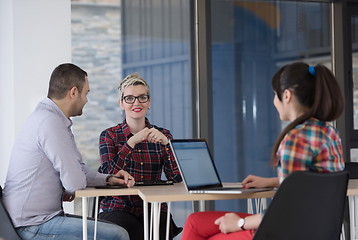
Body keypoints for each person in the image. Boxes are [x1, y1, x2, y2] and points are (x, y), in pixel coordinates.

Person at [181, 62, 345, 240]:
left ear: (287, 95)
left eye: (275, 94)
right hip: (315, 228)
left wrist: (239, 224)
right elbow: (312, 184)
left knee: (205, 233)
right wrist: (273, 181)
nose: (274, 101)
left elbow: (288, 210)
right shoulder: (330, 132)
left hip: (287, 231)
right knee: (195, 221)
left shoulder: (295, 139)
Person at [2, 63, 134, 240]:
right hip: (31, 225)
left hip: (37, 219)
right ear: (73, 92)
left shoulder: (53, 119)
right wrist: (68, 184)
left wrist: (109, 179)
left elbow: (78, 173)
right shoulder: (50, 123)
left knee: (113, 228)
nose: (87, 100)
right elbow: (74, 183)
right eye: (86, 93)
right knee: (118, 235)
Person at [97, 72, 183, 240]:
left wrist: (167, 145)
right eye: (129, 98)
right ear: (121, 103)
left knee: (161, 227)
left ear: (148, 101)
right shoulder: (109, 136)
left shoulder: (163, 135)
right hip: (118, 207)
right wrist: (130, 143)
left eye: (142, 97)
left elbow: (176, 177)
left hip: (153, 207)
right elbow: (108, 173)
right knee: (132, 230)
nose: (136, 102)